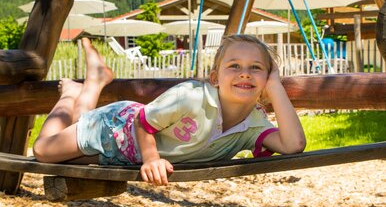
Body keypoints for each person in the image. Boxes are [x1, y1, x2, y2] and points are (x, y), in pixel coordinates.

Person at [33, 35, 306, 186]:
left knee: (69, 151)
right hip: (116, 129)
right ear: (214, 78)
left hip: (123, 159)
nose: (244, 74)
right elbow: (142, 121)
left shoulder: (253, 124)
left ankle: (95, 80)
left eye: (256, 68)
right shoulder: (191, 96)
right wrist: (151, 159)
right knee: (45, 152)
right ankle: (72, 93)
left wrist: (276, 87)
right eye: (234, 66)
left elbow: (294, 145)